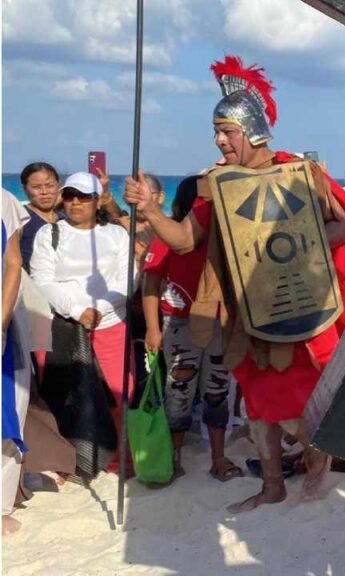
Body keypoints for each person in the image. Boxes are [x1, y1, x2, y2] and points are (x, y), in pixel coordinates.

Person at [124, 55, 345, 512]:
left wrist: (281, 243)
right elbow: (184, 240)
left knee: (307, 400)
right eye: (216, 132)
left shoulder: (298, 173)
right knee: (258, 402)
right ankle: (272, 486)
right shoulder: (217, 185)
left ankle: (316, 468)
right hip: (248, 312)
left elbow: (343, 228)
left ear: (252, 130)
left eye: (226, 130)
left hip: (303, 304)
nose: (219, 140)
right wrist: (149, 210)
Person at [30, 172, 133, 478]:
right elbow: (42, 279)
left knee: (119, 392)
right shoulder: (49, 234)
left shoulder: (116, 235)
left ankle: (117, 459)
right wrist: (77, 311)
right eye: (70, 195)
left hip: (110, 323)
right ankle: (67, 460)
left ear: (97, 200)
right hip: (61, 324)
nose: (75, 202)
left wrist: (100, 309)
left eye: (84, 196)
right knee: (62, 393)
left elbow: (128, 278)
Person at [142, 176, 241, 483]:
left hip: (218, 321)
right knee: (179, 389)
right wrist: (152, 328)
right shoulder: (168, 237)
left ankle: (218, 457)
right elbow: (150, 284)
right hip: (179, 323)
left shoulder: (224, 239)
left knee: (217, 389)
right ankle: (174, 456)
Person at [2, 189, 30, 534]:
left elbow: (13, 262)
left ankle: (1, 505)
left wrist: (2, 321)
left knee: (8, 411)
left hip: (4, 318)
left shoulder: (3, 201)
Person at [18, 162, 63, 272]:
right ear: (25, 189)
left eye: (50, 186)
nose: (44, 192)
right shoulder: (21, 217)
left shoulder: (65, 218)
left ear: (58, 185)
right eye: (36, 187)